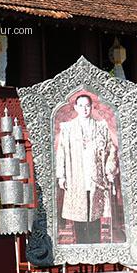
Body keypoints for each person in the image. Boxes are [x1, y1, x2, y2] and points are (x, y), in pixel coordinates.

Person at [56, 94, 119, 243]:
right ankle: (81, 249)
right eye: (81, 106)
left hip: (96, 177)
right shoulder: (68, 128)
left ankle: (95, 250)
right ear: (76, 108)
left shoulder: (101, 127)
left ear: (91, 107)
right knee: (79, 216)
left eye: (87, 106)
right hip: (76, 176)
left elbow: (111, 150)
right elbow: (62, 152)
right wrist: (61, 176)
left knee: (95, 215)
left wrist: (109, 170)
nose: (84, 109)